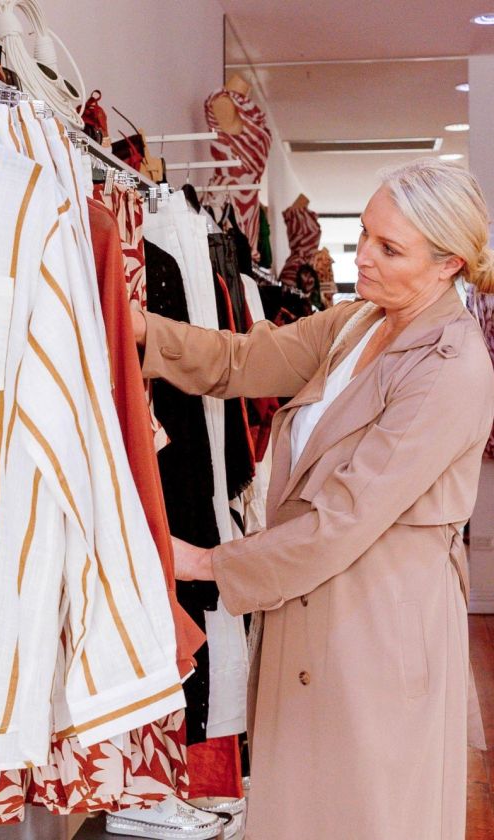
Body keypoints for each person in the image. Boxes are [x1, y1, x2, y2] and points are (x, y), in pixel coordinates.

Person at [131, 159, 494, 840]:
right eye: (364, 236)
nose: (366, 259)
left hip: (379, 618)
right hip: (311, 599)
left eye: (390, 249)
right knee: (303, 806)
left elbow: (345, 518)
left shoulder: (452, 366)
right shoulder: (359, 324)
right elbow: (244, 360)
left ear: (448, 265)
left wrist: (208, 564)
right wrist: (143, 330)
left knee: (369, 809)